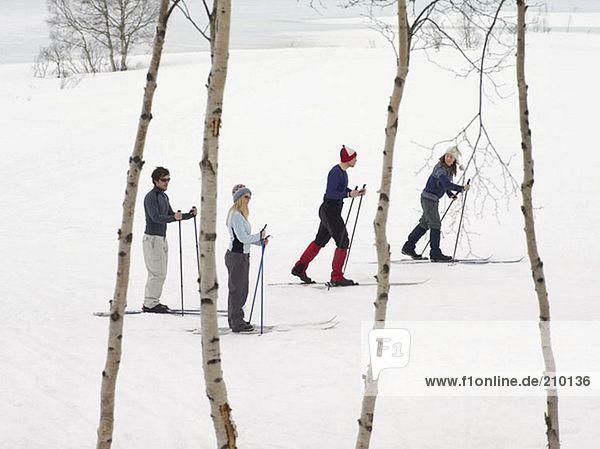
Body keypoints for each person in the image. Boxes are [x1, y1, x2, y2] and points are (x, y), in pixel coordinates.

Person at [291, 145, 366, 286]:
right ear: (348, 159)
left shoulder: (343, 172)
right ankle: (337, 277)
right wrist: (349, 194)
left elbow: (341, 190)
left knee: (319, 241)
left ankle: (299, 268)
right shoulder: (335, 172)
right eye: (354, 158)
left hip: (331, 210)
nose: (356, 160)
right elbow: (331, 192)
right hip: (330, 210)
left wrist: (355, 193)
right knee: (343, 241)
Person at [401, 146, 471, 262]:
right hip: (429, 199)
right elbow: (447, 184)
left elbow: (444, 185)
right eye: (447, 156)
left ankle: (408, 247)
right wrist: (462, 188)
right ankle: (435, 254)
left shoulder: (447, 169)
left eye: (451, 157)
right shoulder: (440, 169)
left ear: (455, 160)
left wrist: (449, 194)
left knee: (425, 224)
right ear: (444, 156)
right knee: (435, 224)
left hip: (430, 199)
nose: (448, 158)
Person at [142, 167, 197, 313]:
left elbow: (171, 215)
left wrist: (188, 215)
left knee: (161, 272)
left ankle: (153, 301)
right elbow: (156, 217)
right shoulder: (150, 197)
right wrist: (174, 217)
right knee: (156, 272)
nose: (166, 182)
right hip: (152, 239)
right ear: (155, 181)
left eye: (168, 179)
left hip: (161, 239)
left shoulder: (164, 197)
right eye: (163, 180)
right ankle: (149, 304)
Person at [225, 184, 269, 333]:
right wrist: (259, 236)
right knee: (239, 290)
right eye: (245, 197)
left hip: (240, 255)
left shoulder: (239, 214)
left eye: (249, 197)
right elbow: (242, 238)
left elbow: (244, 239)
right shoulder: (236, 215)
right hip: (237, 257)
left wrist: (259, 241)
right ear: (238, 198)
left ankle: (235, 320)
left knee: (238, 289)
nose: (248, 200)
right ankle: (237, 322)